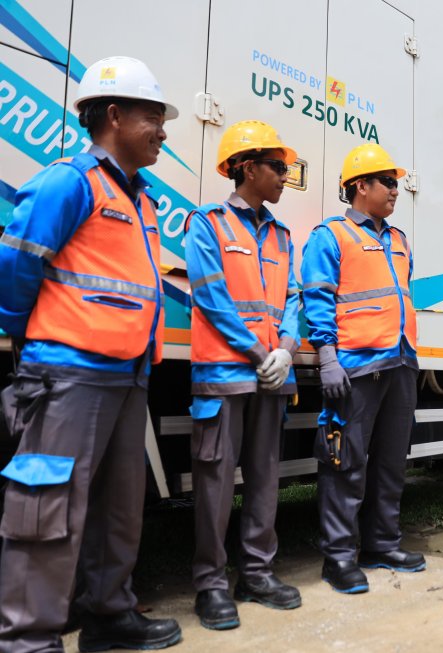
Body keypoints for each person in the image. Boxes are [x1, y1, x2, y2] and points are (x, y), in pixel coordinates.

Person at [0, 56, 182, 651]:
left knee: (119, 509)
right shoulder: (70, 181)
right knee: (46, 510)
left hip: (127, 379)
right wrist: (23, 344)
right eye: (152, 116)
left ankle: (108, 617)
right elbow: (16, 262)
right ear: (113, 116)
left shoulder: (141, 200)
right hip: (66, 376)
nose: (162, 130)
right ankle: (30, 637)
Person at [184, 120, 302, 629]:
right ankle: (210, 585)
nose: (285, 176)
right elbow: (211, 298)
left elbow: (294, 298)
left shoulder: (282, 234)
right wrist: (260, 352)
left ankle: (256, 574)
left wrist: (290, 350)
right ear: (247, 168)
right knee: (214, 482)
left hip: (272, 377)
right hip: (225, 373)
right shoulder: (206, 223)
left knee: (264, 478)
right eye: (278, 167)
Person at [301, 143, 424, 594]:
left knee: (391, 463)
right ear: (360, 187)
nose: (396, 190)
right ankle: (338, 557)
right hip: (354, 368)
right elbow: (316, 298)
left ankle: (382, 543)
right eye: (387, 182)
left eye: (396, 183)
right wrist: (327, 357)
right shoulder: (330, 235)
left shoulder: (399, 239)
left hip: (401, 362)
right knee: (344, 463)